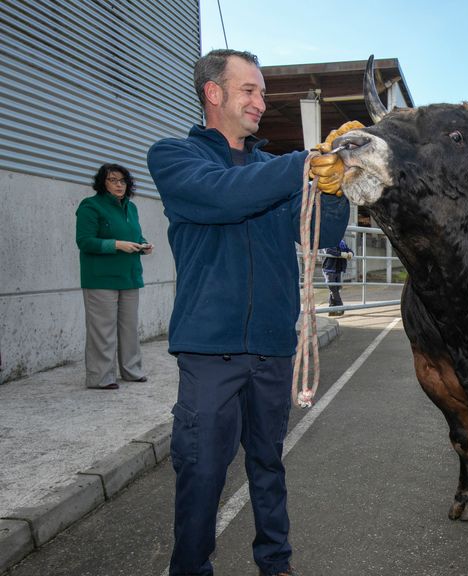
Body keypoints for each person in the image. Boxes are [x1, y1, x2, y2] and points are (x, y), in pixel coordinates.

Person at [147, 48, 348, 576]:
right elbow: (222, 197)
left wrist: (336, 187)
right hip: (210, 350)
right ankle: (191, 568)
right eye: (250, 91)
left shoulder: (270, 169)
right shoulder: (174, 157)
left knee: (267, 465)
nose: (261, 102)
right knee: (203, 469)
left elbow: (322, 233)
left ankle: (275, 564)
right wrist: (300, 163)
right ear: (213, 93)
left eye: (262, 92)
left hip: (273, 346)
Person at [75, 163, 151, 390]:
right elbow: (85, 241)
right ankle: (101, 377)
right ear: (102, 183)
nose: (119, 185)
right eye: (113, 180)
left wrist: (143, 244)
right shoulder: (90, 206)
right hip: (100, 278)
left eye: (122, 181)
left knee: (129, 328)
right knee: (103, 329)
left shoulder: (132, 207)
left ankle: (132, 371)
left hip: (129, 276)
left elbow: (134, 234)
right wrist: (116, 245)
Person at [322, 236, 354, 316]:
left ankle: (332, 309)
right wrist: (341, 254)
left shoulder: (341, 242)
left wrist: (350, 253)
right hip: (329, 269)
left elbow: (348, 249)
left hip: (338, 269)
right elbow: (328, 251)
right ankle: (340, 306)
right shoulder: (327, 240)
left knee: (336, 288)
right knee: (333, 288)